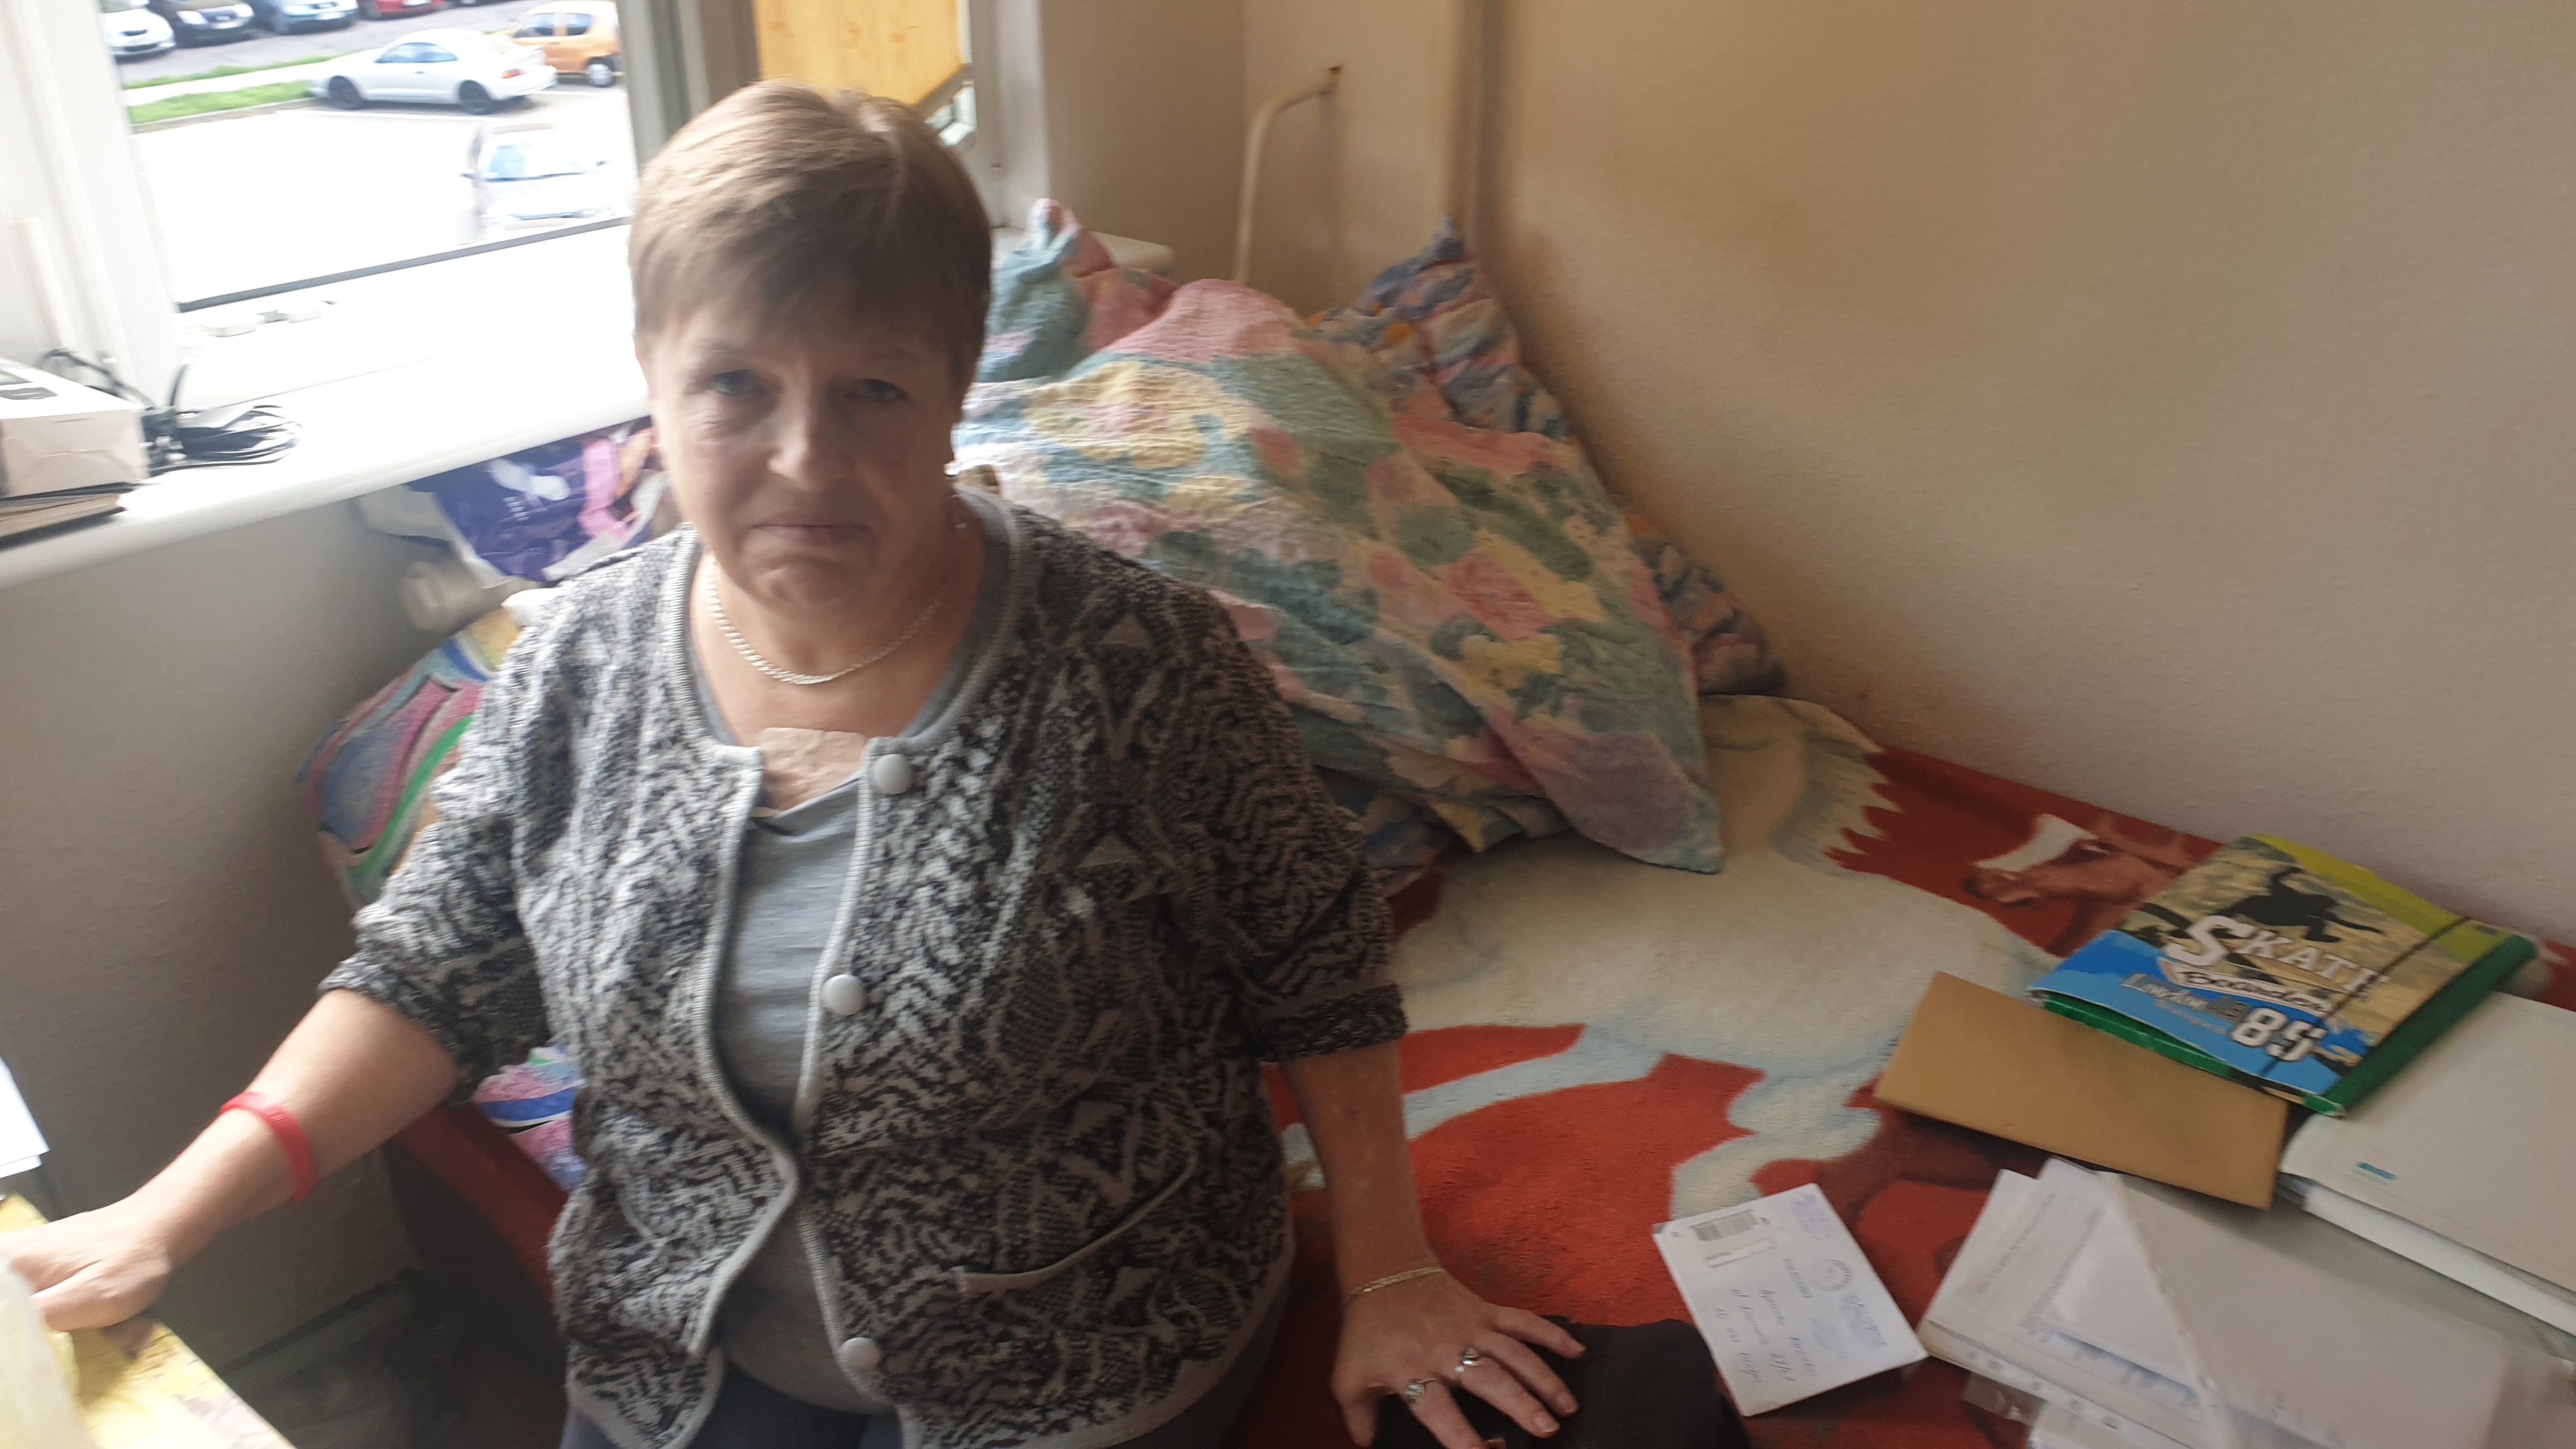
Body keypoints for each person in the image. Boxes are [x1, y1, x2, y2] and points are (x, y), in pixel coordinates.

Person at [0, 84, 1581, 1449]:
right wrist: (167, 1216)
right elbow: (431, 974)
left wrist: (1389, 1272)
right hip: (677, 1358)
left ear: (956, 385)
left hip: (1081, 1360)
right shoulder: (574, 665)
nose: (805, 461)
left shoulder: (1140, 666)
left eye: (873, 389)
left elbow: (1318, 966)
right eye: (738, 386)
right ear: (655, 375)